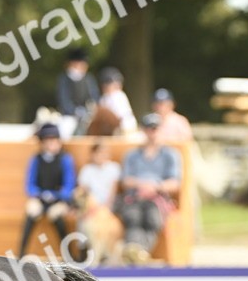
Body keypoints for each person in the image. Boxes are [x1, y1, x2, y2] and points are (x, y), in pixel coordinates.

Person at [117, 113, 182, 263]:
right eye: (149, 128)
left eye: (155, 128)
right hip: (135, 197)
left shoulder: (170, 155)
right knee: (133, 217)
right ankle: (136, 252)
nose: (152, 132)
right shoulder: (132, 155)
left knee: (152, 219)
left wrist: (155, 187)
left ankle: (137, 252)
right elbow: (125, 181)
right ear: (143, 130)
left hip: (157, 198)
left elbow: (175, 183)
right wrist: (142, 185)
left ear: (161, 130)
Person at [18, 123, 76, 254]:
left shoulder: (65, 159)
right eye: (48, 141)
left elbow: (69, 185)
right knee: (31, 212)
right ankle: (21, 254)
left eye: (54, 140)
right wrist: (40, 194)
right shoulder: (36, 160)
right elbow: (29, 185)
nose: (51, 144)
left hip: (59, 200)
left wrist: (57, 195)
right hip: (40, 198)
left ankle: (69, 255)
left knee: (56, 216)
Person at [55, 48, 100, 134]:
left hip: (87, 115)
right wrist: (75, 111)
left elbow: (94, 96)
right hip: (69, 115)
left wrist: (89, 110)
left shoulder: (89, 79)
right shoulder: (64, 79)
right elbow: (63, 99)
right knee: (64, 130)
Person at [77, 140, 121, 207]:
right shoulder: (86, 170)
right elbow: (83, 191)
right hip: (91, 205)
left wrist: (106, 206)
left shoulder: (114, 167)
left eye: (105, 152)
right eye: (99, 153)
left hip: (109, 204)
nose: (102, 155)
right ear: (92, 154)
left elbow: (113, 191)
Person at [97, 67, 137, 134]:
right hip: (112, 128)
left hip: (125, 126)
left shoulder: (119, 96)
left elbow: (120, 117)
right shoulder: (104, 98)